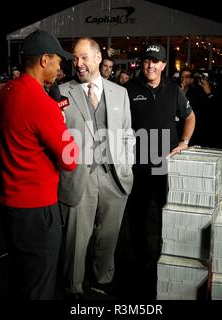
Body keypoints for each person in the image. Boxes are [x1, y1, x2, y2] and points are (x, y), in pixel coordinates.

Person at [0, 29, 78, 300]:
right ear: (44, 60)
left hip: (10, 202)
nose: (60, 67)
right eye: (57, 61)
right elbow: (70, 160)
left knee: (22, 275)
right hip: (36, 208)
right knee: (39, 284)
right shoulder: (42, 102)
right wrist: (63, 124)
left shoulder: (7, 89)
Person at [58, 37, 134, 299]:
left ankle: (103, 278)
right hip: (80, 178)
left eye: (84, 57)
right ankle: (73, 286)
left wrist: (127, 163)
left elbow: (127, 133)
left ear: (98, 57)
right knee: (76, 239)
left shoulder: (119, 93)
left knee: (109, 235)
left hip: (114, 177)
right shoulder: (62, 92)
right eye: (75, 58)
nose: (78, 64)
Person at [124, 43, 195, 296]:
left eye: (156, 61)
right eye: (146, 61)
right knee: (137, 217)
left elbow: (190, 116)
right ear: (141, 64)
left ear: (164, 65)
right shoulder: (129, 90)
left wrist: (184, 142)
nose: (151, 65)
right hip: (139, 166)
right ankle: (142, 261)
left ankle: (167, 257)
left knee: (168, 215)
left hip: (166, 166)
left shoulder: (174, 90)